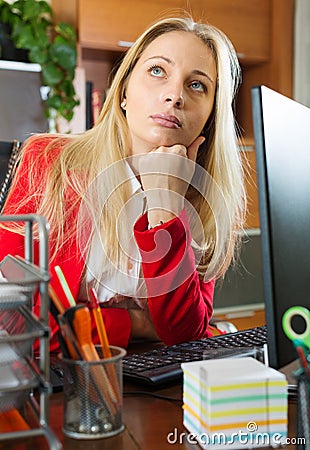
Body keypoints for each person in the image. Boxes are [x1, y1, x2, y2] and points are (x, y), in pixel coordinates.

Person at [0, 16, 246, 353]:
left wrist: (164, 205)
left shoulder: (201, 196)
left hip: (152, 391)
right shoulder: (50, 161)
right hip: (63, 389)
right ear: (124, 91)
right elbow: (14, 319)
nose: (175, 96)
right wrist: (137, 324)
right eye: (158, 71)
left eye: (197, 85)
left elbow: (185, 335)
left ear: (210, 115)